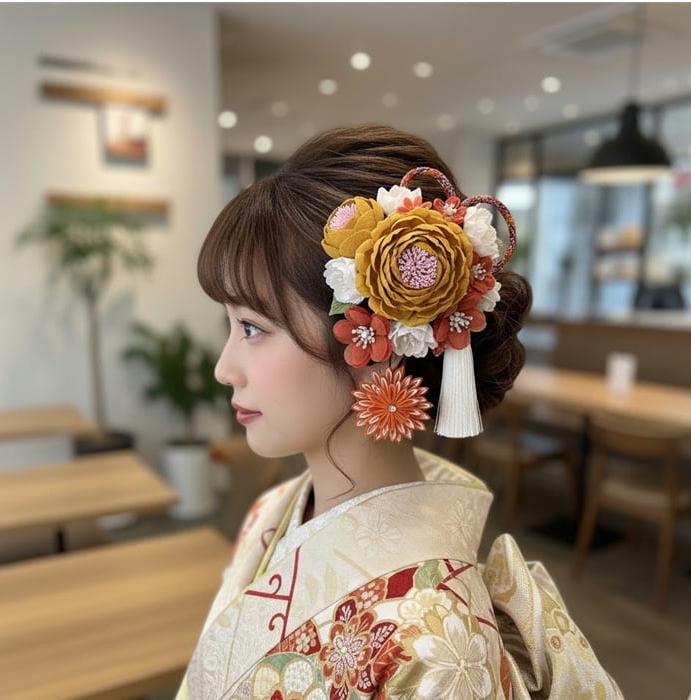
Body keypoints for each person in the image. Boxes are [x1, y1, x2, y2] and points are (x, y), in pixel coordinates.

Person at [177, 125, 622, 699]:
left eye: (252, 328)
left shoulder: (436, 645)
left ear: (375, 341)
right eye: (231, 325)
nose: (224, 368)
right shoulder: (273, 509)